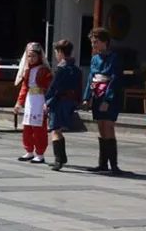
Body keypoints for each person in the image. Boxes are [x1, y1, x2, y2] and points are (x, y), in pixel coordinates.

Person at [83, 28, 122, 174]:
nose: (94, 45)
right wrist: (87, 97)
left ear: (105, 42)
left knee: (108, 127)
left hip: (109, 95)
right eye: (92, 42)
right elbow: (90, 79)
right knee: (100, 127)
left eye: (96, 42)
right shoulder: (94, 59)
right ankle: (102, 163)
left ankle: (114, 165)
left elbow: (115, 79)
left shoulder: (114, 58)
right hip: (97, 95)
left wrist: (108, 99)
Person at [45, 39, 82, 172]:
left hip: (58, 100)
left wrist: (47, 102)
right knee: (59, 128)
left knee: (55, 129)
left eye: (56, 52)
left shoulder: (61, 69)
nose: (56, 55)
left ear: (60, 52)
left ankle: (58, 159)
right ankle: (63, 157)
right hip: (70, 101)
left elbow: (54, 88)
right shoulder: (76, 70)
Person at [12, 43, 52, 164]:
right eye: (29, 56)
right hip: (30, 100)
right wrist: (19, 103)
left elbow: (50, 88)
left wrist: (47, 102)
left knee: (39, 128)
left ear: (39, 56)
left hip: (40, 100)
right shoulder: (27, 71)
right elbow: (24, 87)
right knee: (27, 127)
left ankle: (40, 153)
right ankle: (29, 151)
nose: (31, 58)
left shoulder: (45, 71)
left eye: (34, 56)